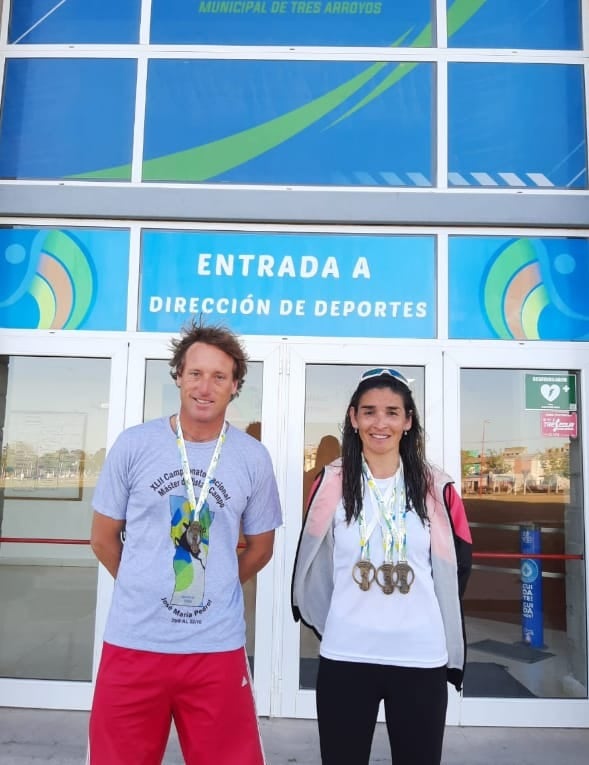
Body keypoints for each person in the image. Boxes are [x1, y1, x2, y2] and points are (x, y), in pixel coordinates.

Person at [88, 319, 282, 765]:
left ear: (236, 386)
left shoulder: (252, 456)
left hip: (215, 648)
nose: (205, 387)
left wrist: (219, 580)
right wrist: (145, 580)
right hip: (135, 643)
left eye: (219, 376)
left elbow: (262, 546)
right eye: (195, 373)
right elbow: (102, 539)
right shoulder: (134, 445)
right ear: (178, 375)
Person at [291, 367, 472, 765]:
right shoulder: (330, 484)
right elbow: (314, 562)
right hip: (346, 654)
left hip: (419, 656)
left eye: (392, 412)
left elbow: (459, 565)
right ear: (353, 419)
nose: (380, 423)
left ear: (408, 421)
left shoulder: (436, 487)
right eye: (369, 411)